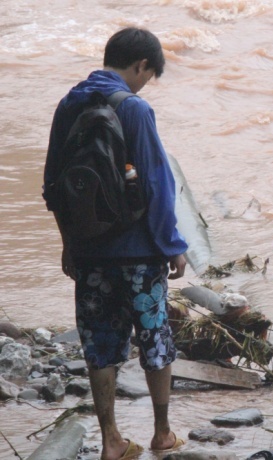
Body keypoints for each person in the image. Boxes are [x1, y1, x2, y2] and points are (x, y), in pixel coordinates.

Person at [43, 28, 187, 459]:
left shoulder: (69, 105)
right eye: (147, 74)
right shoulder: (135, 108)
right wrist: (172, 245)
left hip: (88, 251)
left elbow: (53, 185)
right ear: (140, 65)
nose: (144, 84)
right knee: (154, 337)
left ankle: (112, 441)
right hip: (140, 252)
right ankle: (163, 433)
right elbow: (157, 184)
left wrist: (69, 244)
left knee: (99, 342)